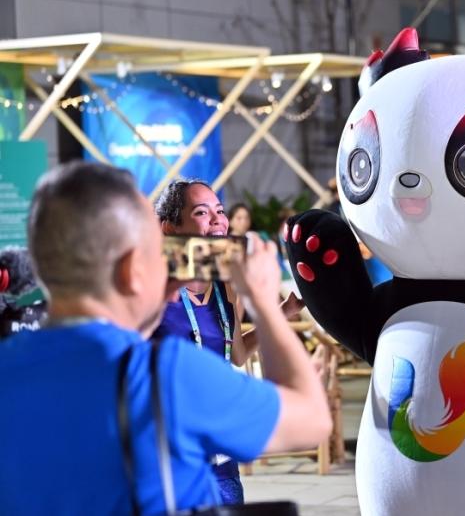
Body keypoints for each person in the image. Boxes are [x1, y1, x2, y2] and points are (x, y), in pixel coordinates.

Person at [0, 163, 330, 515]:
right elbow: (311, 420)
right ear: (131, 269)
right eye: (156, 248)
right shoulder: (165, 376)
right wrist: (263, 302)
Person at [153, 179, 300, 504]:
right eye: (202, 212)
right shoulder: (150, 290)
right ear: (169, 227)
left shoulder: (224, 289)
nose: (219, 220)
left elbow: (237, 354)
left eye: (220, 211)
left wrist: (281, 312)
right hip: (168, 451)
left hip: (219, 451)